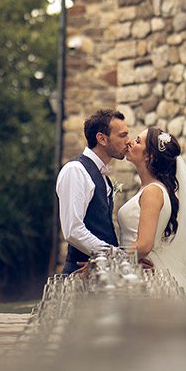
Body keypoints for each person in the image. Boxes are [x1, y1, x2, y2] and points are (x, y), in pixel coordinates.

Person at [118, 126, 186, 298]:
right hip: (135, 270)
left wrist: (105, 260)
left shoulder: (152, 192)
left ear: (149, 156)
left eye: (138, 141)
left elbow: (144, 245)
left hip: (147, 278)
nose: (131, 142)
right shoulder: (149, 189)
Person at [56, 108, 131, 275]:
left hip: (103, 273)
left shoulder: (102, 174)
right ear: (102, 139)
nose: (128, 141)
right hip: (81, 273)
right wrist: (114, 255)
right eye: (122, 135)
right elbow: (72, 230)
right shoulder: (75, 170)